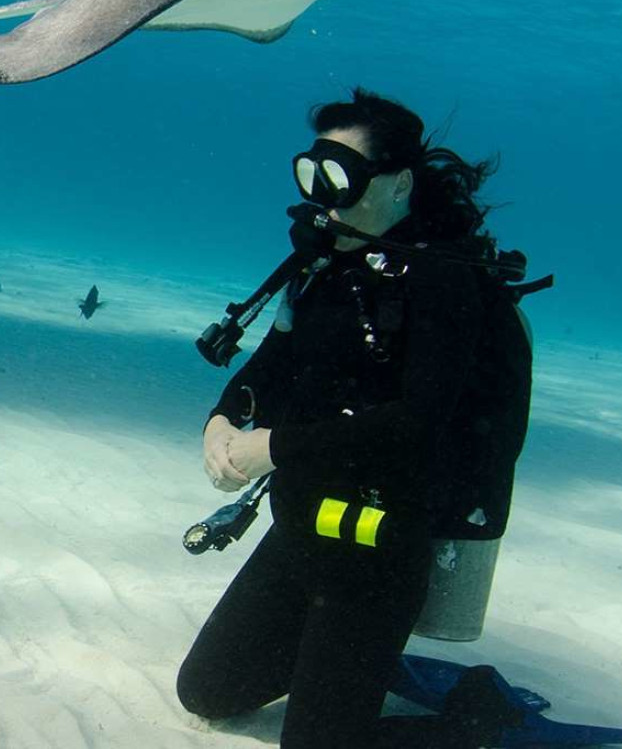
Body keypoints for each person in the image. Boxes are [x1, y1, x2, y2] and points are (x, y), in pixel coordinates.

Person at [176, 89, 526, 748]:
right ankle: (342, 662)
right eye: (313, 175)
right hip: (300, 531)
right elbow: (269, 370)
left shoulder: (442, 284)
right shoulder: (321, 266)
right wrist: (222, 419)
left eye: (341, 179)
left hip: (378, 552)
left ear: (399, 186)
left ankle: (478, 712)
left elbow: (416, 423)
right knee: (207, 691)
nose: (322, 198)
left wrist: (275, 447)